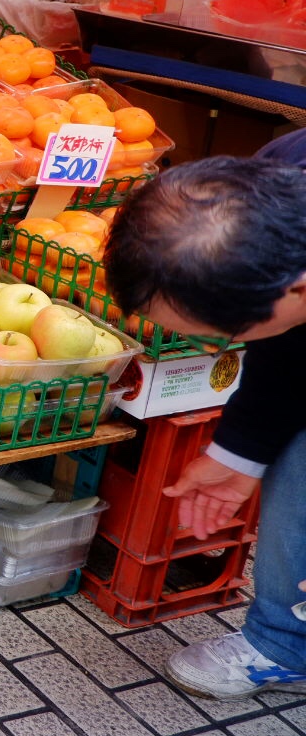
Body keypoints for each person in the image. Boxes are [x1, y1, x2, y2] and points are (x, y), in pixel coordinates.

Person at [104, 153, 306, 699]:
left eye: (225, 336)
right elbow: (286, 348)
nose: (220, 349)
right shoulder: (278, 185)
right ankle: (288, 647)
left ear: (299, 288)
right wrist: (238, 454)